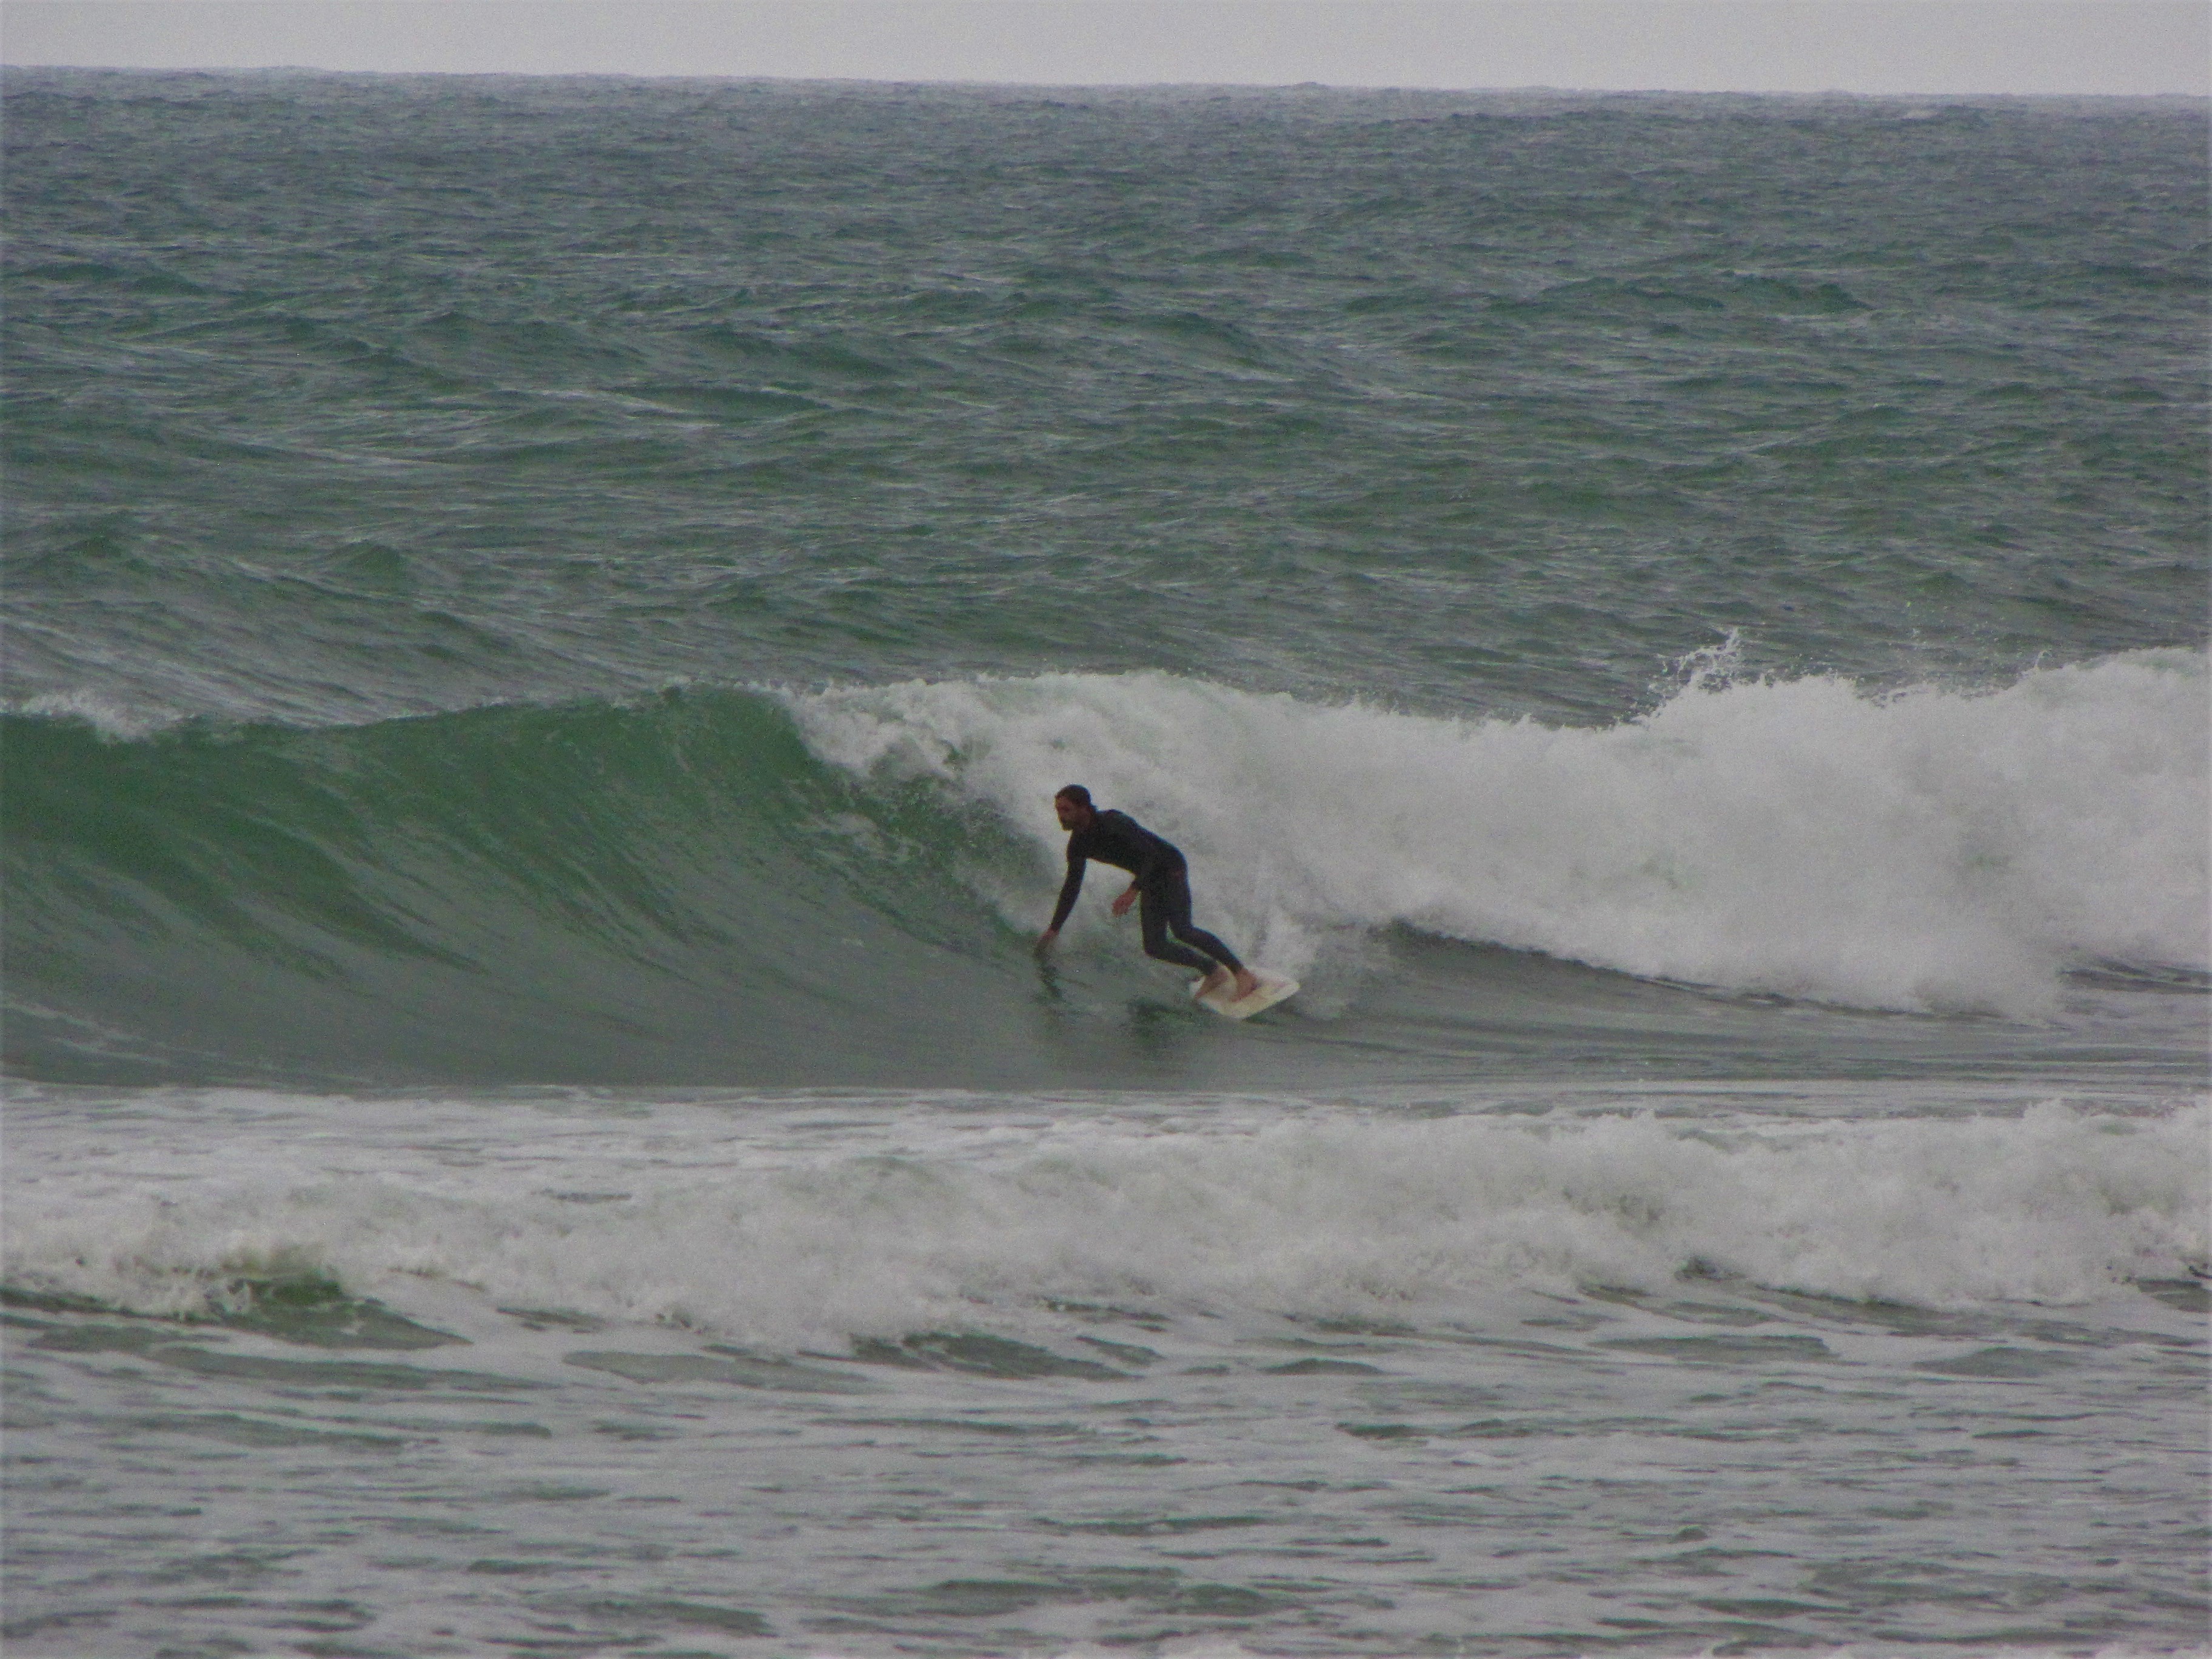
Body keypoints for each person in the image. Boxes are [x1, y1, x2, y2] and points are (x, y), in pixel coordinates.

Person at [1034, 785, 1259, 1001]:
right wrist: (1055, 928)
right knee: (1155, 946)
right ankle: (1213, 971)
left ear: (1084, 808)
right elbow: (1072, 887)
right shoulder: (1078, 845)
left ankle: (1242, 974)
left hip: (1170, 867)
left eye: (1066, 810)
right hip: (1150, 879)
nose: (1060, 816)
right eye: (1058, 810)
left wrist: (1133, 890)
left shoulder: (1114, 823)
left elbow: (1152, 855)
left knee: (1183, 930)